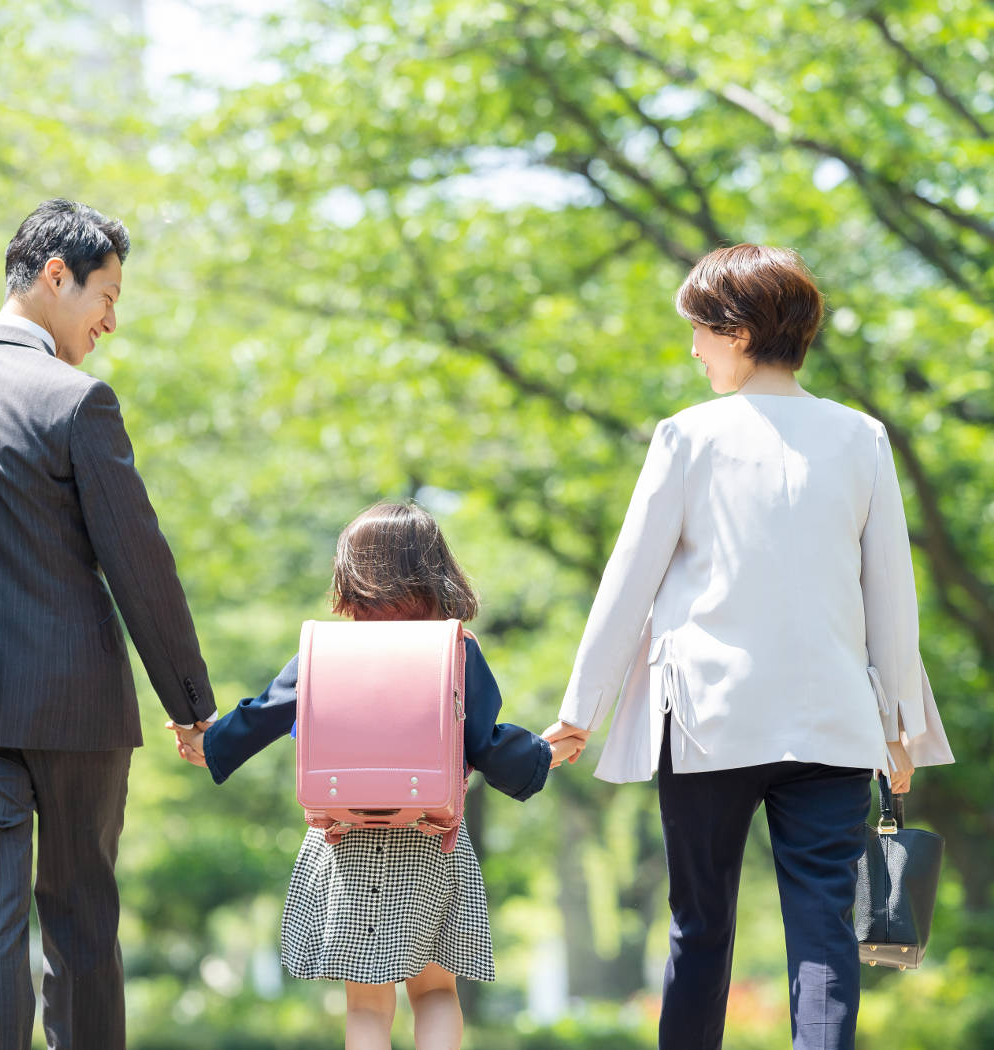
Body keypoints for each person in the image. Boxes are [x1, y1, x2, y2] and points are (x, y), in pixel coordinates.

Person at [543, 244, 954, 1050]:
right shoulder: (860, 436)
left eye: (697, 329)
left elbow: (626, 586)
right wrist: (898, 726)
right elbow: (890, 599)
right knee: (824, 933)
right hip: (833, 726)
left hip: (706, 723)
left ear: (733, 331)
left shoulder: (686, 437)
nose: (692, 349)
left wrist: (578, 713)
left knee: (698, 928)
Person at [0, 199, 218, 1050]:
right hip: (75, 705)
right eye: (107, 295)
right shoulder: (75, 400)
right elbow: (138, 564)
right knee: (81, 915)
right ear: (57, 276)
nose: (112, 322)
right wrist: (190, 700)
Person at [172, 502, 576, 1050]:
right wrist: (542, 754)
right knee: (435, 992)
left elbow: (265, 712)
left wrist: (209, 744)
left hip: (345, 840)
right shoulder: (454, 648)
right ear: (438, 568)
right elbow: (486, 740)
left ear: (350, 573)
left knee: (366, 1003)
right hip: (432, 839)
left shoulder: (327, 649)